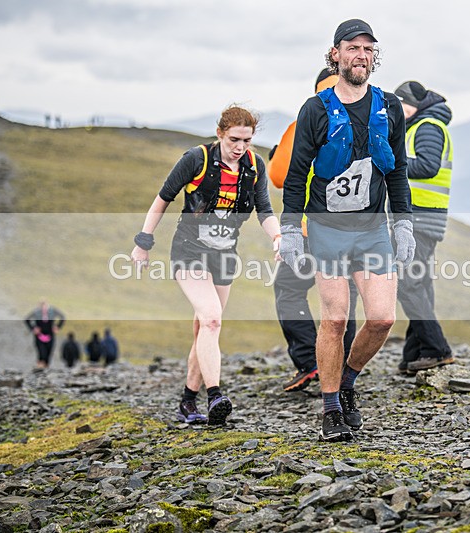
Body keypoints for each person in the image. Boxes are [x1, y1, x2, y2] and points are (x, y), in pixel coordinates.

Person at [279, 19, 414, 442]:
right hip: (327, 229)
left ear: (374, 57)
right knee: (335, 318)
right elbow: (297, 173)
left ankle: (349, 381)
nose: (361, 55)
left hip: (373, 229)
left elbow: (398, 171)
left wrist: (404, 222)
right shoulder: (315, 109)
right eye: (352, 47)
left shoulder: (389, 107)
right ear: (335, 54)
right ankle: (331, 408)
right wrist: (288, 230)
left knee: (382, 318)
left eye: (368, 49)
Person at [131, 105, 280, 426]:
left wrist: (277, 237)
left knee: (204, 327)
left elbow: (264, 210)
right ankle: (215, 395)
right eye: (234, 140)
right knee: (212, 320)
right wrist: (143, 243)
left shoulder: (254, 166)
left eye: (247, 141)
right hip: (189, 251)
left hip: (225, 255)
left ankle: (188, 400)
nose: (240, 147)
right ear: (220, 134)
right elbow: (162, 199)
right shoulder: (196, 160)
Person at [269, 68, 358, 392]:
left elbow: (279, 176)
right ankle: (344, 366)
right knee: (344, 300)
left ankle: (311, 360)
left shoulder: (305, 121)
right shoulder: (367, 120)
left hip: (311, 229)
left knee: (289, 290)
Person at [393, 80, 455, 373]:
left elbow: (428, 166)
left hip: (421, 216)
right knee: (419, 282)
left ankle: (437, 349)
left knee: (408, 283)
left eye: (400, 103)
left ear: (413, 104)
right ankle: (414, 353)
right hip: (422, 216)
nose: (396, 109)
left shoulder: (427, 126)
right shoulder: (422, 125)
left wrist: (392, 164)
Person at [24, 300, 65, 370]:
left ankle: (46, 368)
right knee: (41, 352)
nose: (44, 308)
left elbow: (62, 317)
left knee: (49, 352)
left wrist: (58, 327)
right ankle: (40, 367)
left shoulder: (52, 311)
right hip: (39, 335)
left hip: (50, 335)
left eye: (45, 306)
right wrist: (33, 328)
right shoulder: (36, 312)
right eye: (42, 306)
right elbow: (27, 319)